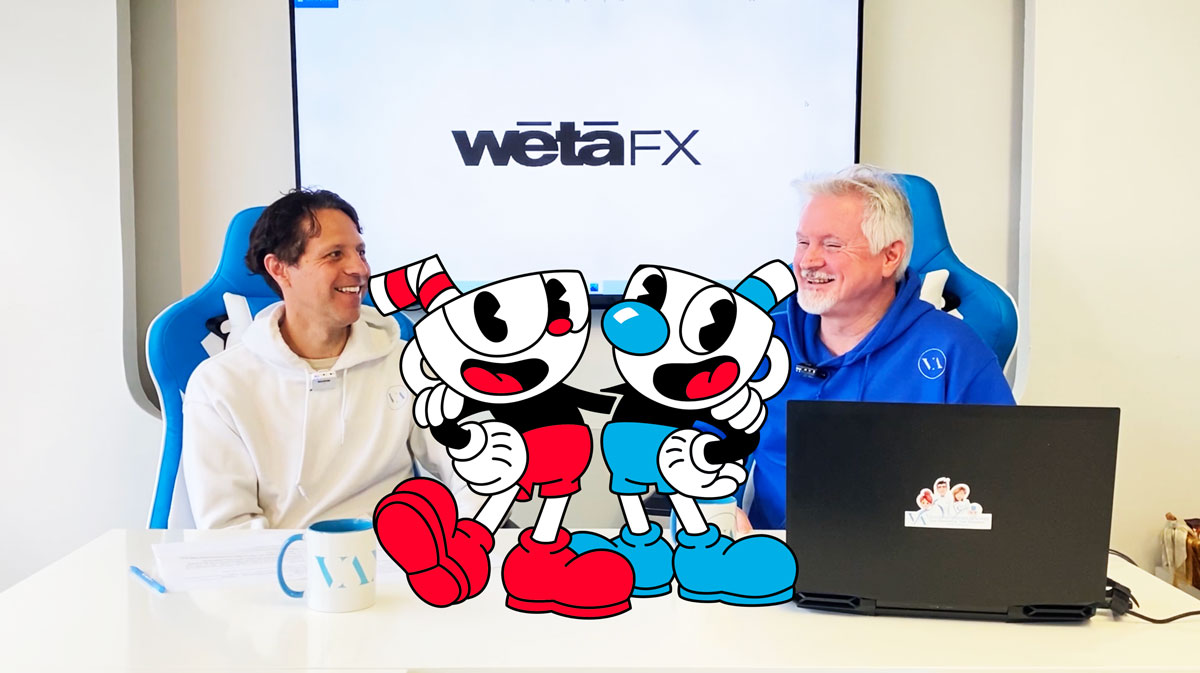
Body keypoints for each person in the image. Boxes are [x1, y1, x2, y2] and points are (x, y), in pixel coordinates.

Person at [181, 189, 478, 529]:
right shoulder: (219, 385)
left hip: (393, 554)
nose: (359, 269)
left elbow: (473, 472)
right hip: (282, 560)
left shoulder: (407, 365)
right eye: (334, 254)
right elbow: (229, 530)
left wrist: (463, 539)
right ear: (280, 269)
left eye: (360, 252)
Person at [747, 165, 1015, 530]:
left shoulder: (955, 352)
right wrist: (719, 511)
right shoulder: (759, 341)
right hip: (773, 553)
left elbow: (1004, 484)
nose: (808, 261)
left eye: (832, 245)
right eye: (803, 243)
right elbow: (698, 447)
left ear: (890, 257)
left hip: (906, 556)